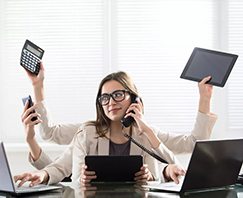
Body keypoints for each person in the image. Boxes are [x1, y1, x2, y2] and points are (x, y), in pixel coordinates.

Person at [15, 63, 217, 186]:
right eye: (105, 98)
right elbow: (60, 167)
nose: (111, 102)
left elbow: (192, 144)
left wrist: (204, 97)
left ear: (134, 99)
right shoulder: (87, 133)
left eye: (118, 95)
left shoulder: (146, 133)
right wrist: (47, 175)